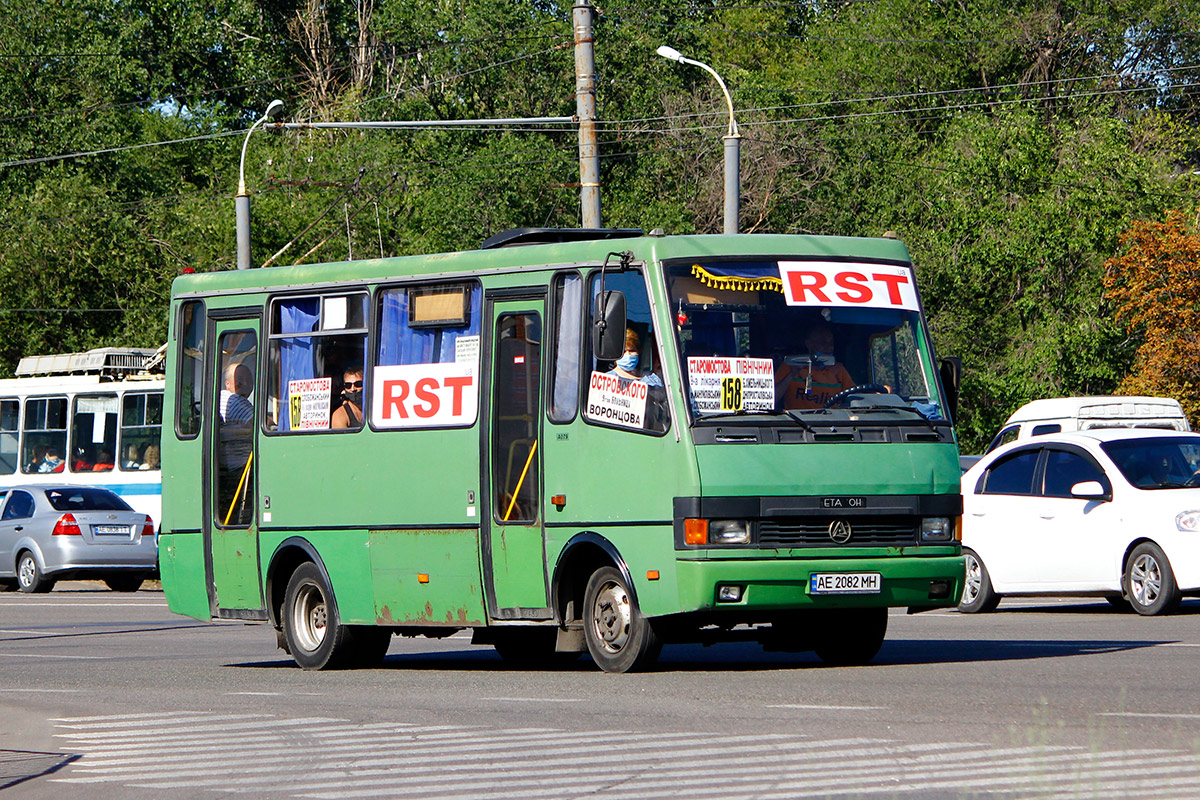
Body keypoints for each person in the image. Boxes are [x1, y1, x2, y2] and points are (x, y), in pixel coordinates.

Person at [775, 322, 856, 409]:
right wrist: (791, 374)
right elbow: (772, 398)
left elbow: (855, 399)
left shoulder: (839, 371)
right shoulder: (790, 365)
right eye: (823, 343)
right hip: (797, 421)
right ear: (809, 344)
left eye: (831, 344)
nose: (829, 348)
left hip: (831, 421)